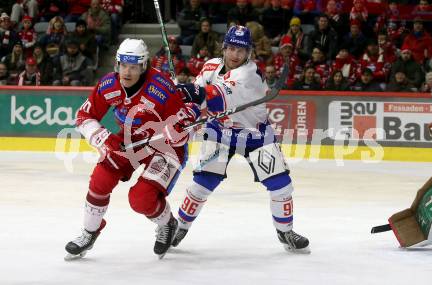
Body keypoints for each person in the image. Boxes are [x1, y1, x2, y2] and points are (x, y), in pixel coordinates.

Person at [171, 25, 310, 254]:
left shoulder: (250, 74)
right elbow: (196, 100)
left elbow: (214, 99)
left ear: (249, 53)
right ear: (224, 48)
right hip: (219, 132)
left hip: (255, 134)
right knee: (201, 185)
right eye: (232, 49)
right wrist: (184, 104)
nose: (236, 55)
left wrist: (187, 91)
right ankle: (180, 227)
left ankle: (286, 232)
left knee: (281, 185)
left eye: (241, 51)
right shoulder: (210, 67)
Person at [64, 38, 201, 260]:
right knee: (100, 181)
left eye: (134, 66)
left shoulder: (161, 88)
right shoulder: (110, 85)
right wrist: (104, 138)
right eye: (123, 65)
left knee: (141, 199)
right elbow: (84, 116)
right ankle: (89, 232)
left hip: (164, 148)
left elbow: (187, 130)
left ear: (144, 66)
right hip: (129, 141)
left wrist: (177, 128)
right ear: (117, 64)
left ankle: (167, 223)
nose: (127, 72)